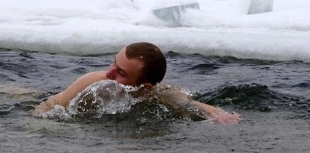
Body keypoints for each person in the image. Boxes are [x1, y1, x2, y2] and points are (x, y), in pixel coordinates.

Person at [33, 42, 241, 124]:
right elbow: (49, 105)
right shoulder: (92, 82)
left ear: (145, 87)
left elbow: (192, 105)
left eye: (120, 72)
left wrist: (218, 114)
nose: (109, 73)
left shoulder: (157, 95)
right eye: (114, 63)